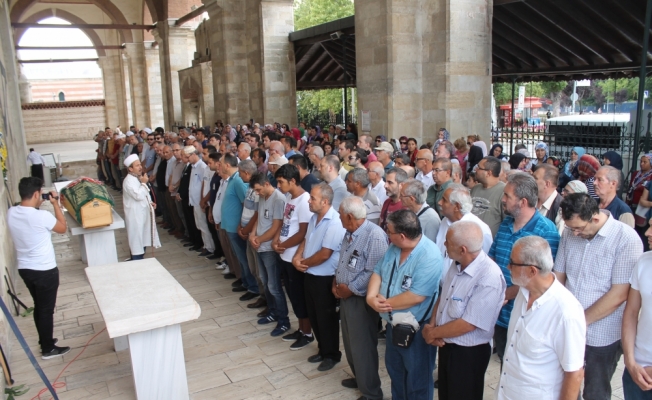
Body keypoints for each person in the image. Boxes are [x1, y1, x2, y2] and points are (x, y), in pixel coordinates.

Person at [554, 193, 642, 400]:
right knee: (566, 387)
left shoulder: (626, 239)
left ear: (595, 217)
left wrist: (579, 322)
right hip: (567, 327)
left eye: (579, 228)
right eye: (570, 228)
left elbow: (619, 294)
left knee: (596, 392)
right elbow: (558, 277)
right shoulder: (570, 233)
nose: (574, 234)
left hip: (603, 334)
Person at [495, 236, 586, 400]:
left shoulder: (566, 312)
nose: (508, 267)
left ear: (532, 270)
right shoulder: (523, 292)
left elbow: (574, 374)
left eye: (512, 263)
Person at [423, 221, 505, 400]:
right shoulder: (457, 263)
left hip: (468, 354)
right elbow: (443, 297)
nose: (444, 245)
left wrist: (432, 333)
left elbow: (468, 323)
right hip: (447, 345)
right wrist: (431, 327)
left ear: (463, 249)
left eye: (448, 242)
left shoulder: (489, 277)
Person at [366, 209, 443, 400]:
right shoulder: (395, 248)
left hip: (415, 328)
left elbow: (417, 295)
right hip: (393, 324)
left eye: (389, 231)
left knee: (418, 380)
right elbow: (378, 271)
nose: (387, 234)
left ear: (402, 235)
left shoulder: (429, 255)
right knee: (396, 373)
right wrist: (371, 297)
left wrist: (382, 305)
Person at [490, 172, 560, 365]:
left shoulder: (547, 231)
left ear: (522, 201)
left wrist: (506, 295)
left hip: (525, 316)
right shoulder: (506, 224)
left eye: (507, 196)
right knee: (505, 362)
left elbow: (543, 279)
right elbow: (492, 257)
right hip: (500, 313)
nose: (502, 200)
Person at [7, 177, 71, 359]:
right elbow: (62, 228)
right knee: (45, 309)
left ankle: (45, 340)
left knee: (39, 306)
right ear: (36, 194)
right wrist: (56, 204)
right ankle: (48, 348)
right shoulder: (41, 216)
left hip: (25, 269)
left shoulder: (11, 212)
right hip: (45, 270)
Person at [335, 196, 388, 399]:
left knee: (362, 346)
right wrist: (336, 282)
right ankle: (360, 378)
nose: (338, 218)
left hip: (360, 298)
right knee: (350, 342)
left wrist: (351, 288)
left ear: (349, 216)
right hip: (346, 295)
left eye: (340, 215)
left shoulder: (374, 235)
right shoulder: (350, 233)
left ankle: (371, 392)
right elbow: (343, 261)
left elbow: (375, 271)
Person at [292, 183, 346, 371]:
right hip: (311, 274)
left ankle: (332, 354)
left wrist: (303, 263)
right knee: (314, 315)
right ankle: (323, 350)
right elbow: (306, 240)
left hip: (324, 277)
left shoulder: (335, 222)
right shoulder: (315, 217)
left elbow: (325, 254)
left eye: (312, 198)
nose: (309, 200)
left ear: (324, 201)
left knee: (327, 318)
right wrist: (297, 256)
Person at [273, 164, 314, 350]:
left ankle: (307, 333)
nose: (278, 185)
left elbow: (303, 233)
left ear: (293, 180)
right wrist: (276, 240)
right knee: (293, 296)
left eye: (281, 182)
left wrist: (283, 245)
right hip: (285, 255)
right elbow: (285, 223)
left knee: (299, 297)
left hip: (295, 257)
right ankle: (300, 328)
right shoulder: (290, 197)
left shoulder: (305, 200)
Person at [249, 172, 291, 336]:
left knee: (274, 286)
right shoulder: (262, 197)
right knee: (265, 282)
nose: (257, 193)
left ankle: (283, 321)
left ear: (267, 184)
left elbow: (276, 227)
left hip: (269, 249)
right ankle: (272, 312)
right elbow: (259, 218)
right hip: (259, 245)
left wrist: (258, 238)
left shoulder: (279, 199)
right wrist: (253, 235)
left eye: (259, 190)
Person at [221, 153, 260, 298]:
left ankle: (253, 287)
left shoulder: (238, 182)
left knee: (245, 258)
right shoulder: (237, 180)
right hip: (235, 226)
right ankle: (246, 282)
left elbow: (247, 205)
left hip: (240, 227)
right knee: (241, 258)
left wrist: (243, 226)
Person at [622, 220, 652, 400]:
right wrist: (630, 361)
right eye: (649, 225)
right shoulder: (644, 261)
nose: (647, 232)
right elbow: (631, 313)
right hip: (636, 369)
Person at [436, 184, 493, 278]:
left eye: (444, 200)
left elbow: (484, 263)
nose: (439, 202)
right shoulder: (444, 221)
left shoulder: (480, 228)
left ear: (457, 206)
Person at [122, 154, 161, 260]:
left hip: (142, 212)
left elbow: (144, 194)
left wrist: (150, 202)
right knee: (136, 238)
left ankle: (139, 258)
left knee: (142, 237)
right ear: (130, 169)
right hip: (135, 215)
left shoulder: (137, 178)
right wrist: (144, 183)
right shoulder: (129, 181)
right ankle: (136, 260)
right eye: (137, 165)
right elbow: (138, 195)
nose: (140, 167)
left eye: (140, 165)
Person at [470, 156, 505, 237]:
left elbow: (507, 222)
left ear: (488, 173)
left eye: (479, 168)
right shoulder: (475, 188)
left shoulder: (504, 191)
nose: (475, 170)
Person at [533, 164, 563, 230]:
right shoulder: (530, 199)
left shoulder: (561, 208)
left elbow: (559, 238)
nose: (531, 180)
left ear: (547, 184)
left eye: (535, 178)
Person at [379, 167, 408, 232]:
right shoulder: (387, 202)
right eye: (386, 182)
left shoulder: (406, 206)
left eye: (390, 182)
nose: (385, 186)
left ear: (401, 185)